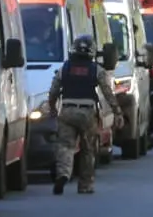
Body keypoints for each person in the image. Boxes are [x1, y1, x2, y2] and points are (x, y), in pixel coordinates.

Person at [48, 34, 123, 195]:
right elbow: (107, 92)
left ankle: (63, 174)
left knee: (65, 147)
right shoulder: (97, 70)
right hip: (88, 113)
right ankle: (85, 184)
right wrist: (117, 112)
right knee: (88, 150)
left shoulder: (64, 68)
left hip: (67, 111)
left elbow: (54, 90)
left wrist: (52, 107)